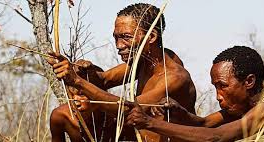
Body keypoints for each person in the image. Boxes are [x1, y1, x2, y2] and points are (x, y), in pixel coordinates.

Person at [126, 46, 264, 142]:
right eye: (214, 88)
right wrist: (180, 113)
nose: (218, 96)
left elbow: (216, 137)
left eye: (223, 86)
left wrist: (149, 123)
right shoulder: (254, 98)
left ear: (248, 81)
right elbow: (204, 125)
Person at [48, 3, 197, 141]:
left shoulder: (175, 78)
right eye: (116, 37)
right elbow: (104, 79)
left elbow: (127, 111)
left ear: (151, 37)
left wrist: (77, 81)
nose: (119, 45)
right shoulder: (145, 61)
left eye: (126, 37)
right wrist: (83, 71)